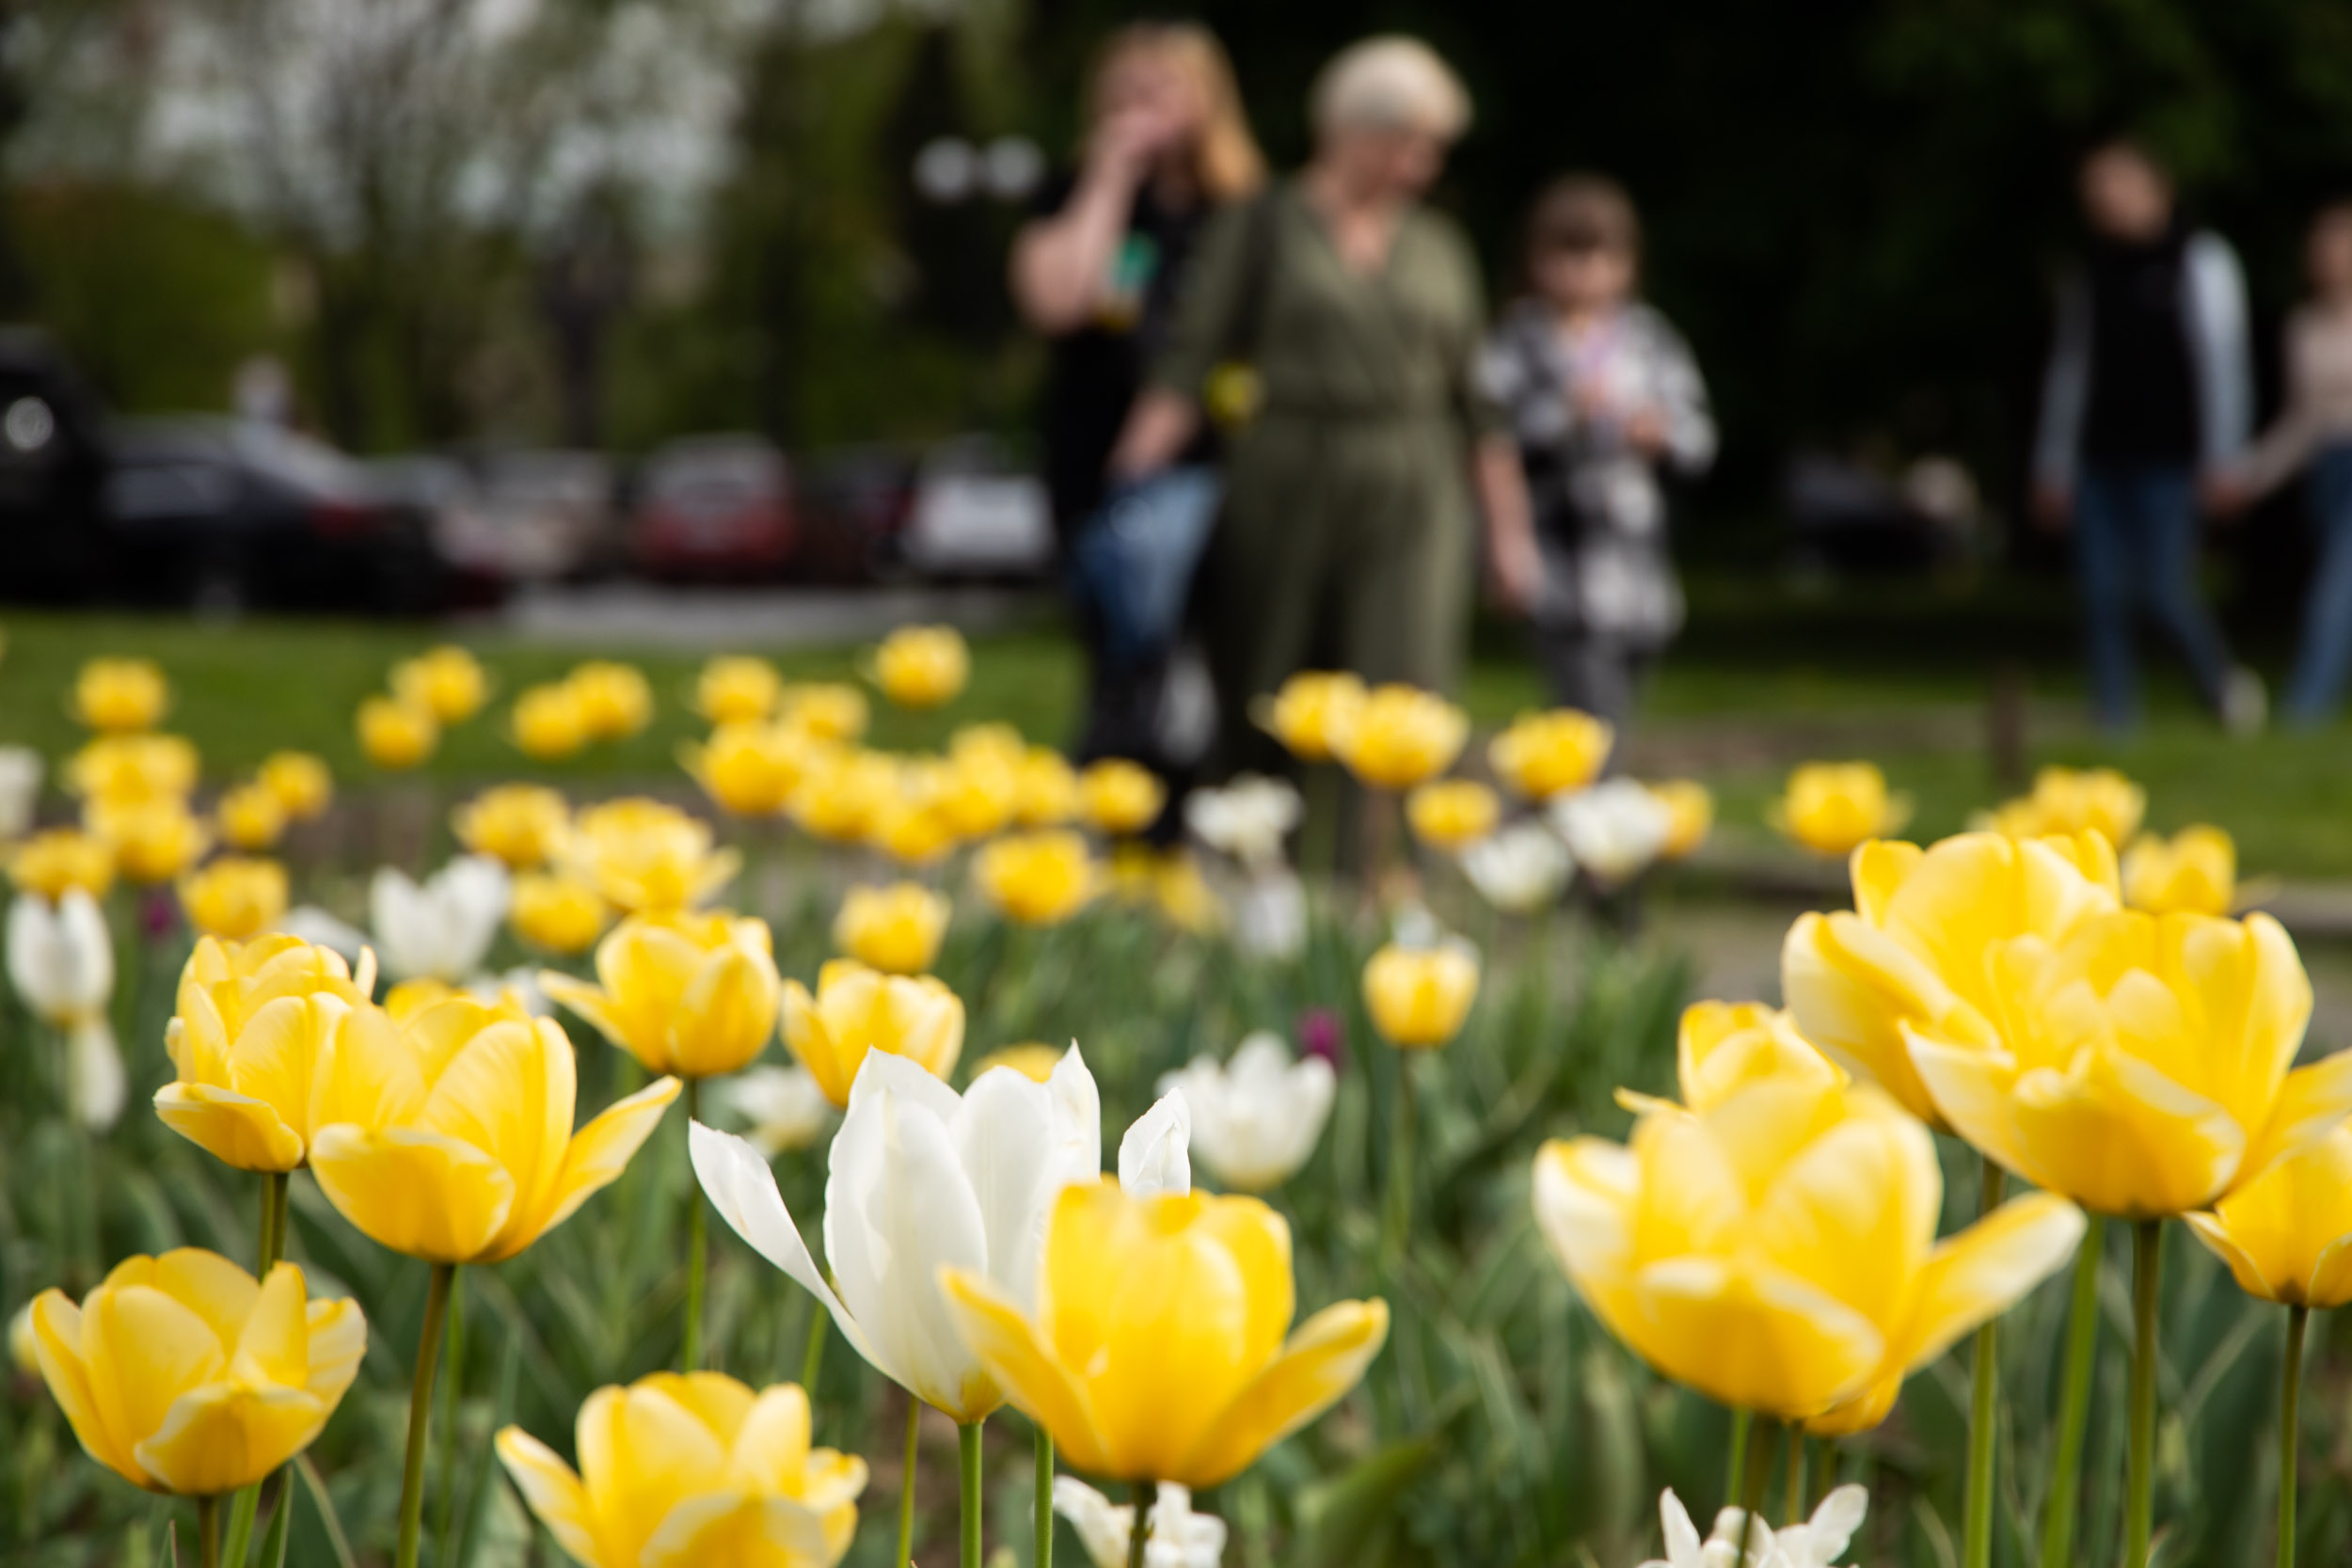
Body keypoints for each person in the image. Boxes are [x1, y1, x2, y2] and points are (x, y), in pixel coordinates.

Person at [1110, 35, 1540, 775]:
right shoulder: (1262, 224)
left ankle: (1386, 879)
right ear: (1355, 133)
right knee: (1270, 680)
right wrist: (1126, 489)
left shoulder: (1440, 244)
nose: (1426, 166)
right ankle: (1270, 863)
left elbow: (1480, 403)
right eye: (1413, 144)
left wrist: (1509, 533)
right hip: (1286, 472)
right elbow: (1189, 363)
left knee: (1406, 688)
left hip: (1415, 482)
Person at [1010, 23, 1264, 767]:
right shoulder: (1071, 195)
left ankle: (1183, 806)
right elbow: (1060, 302)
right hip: (1095, 464)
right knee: (1121, 653)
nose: (1135, 105)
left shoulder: (1243, 211)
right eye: (1121, 89)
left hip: (1216, 463)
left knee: (1194, 656)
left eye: (1157, 88)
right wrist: (1110, 179)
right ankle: (1133, 814)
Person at [2031, 136, 2264, 734]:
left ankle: (2221, 688)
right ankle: (2115, 720)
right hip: (2100, 457)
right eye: (2096, 190)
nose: (2106, 199)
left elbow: (2222, 364)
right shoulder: (2089, 269)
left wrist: (2224, 456)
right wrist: (2054, 464)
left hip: (2172, 458)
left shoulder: (2200, 260)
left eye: (2118, 184)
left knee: (2165, 590)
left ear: (2156, 188)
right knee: (2101, 595)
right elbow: (2071, 371)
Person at [1479, 175, 1713, 731]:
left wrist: (1660, 433)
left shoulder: (1649, 340)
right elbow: (1491, 438)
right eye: (1567, 256)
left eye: (1599, 257)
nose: (1583, 275)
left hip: (1638, 573)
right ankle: (1582, 809)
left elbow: (1699, 439)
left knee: (1617, 715)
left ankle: (1564, 806)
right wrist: (1565, 415)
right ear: (1535, 261)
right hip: (1559, 568)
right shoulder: (1519, 341)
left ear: (1628, 263)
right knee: (1588, 717)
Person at [2214, 203, 2352, 725]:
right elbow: (2301, 422)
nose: (2332, 259)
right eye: (2324, 248)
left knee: (2334, 597)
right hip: (2327, 473)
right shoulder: (2304, 327)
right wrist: (2248, 475)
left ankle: (2305, 711)